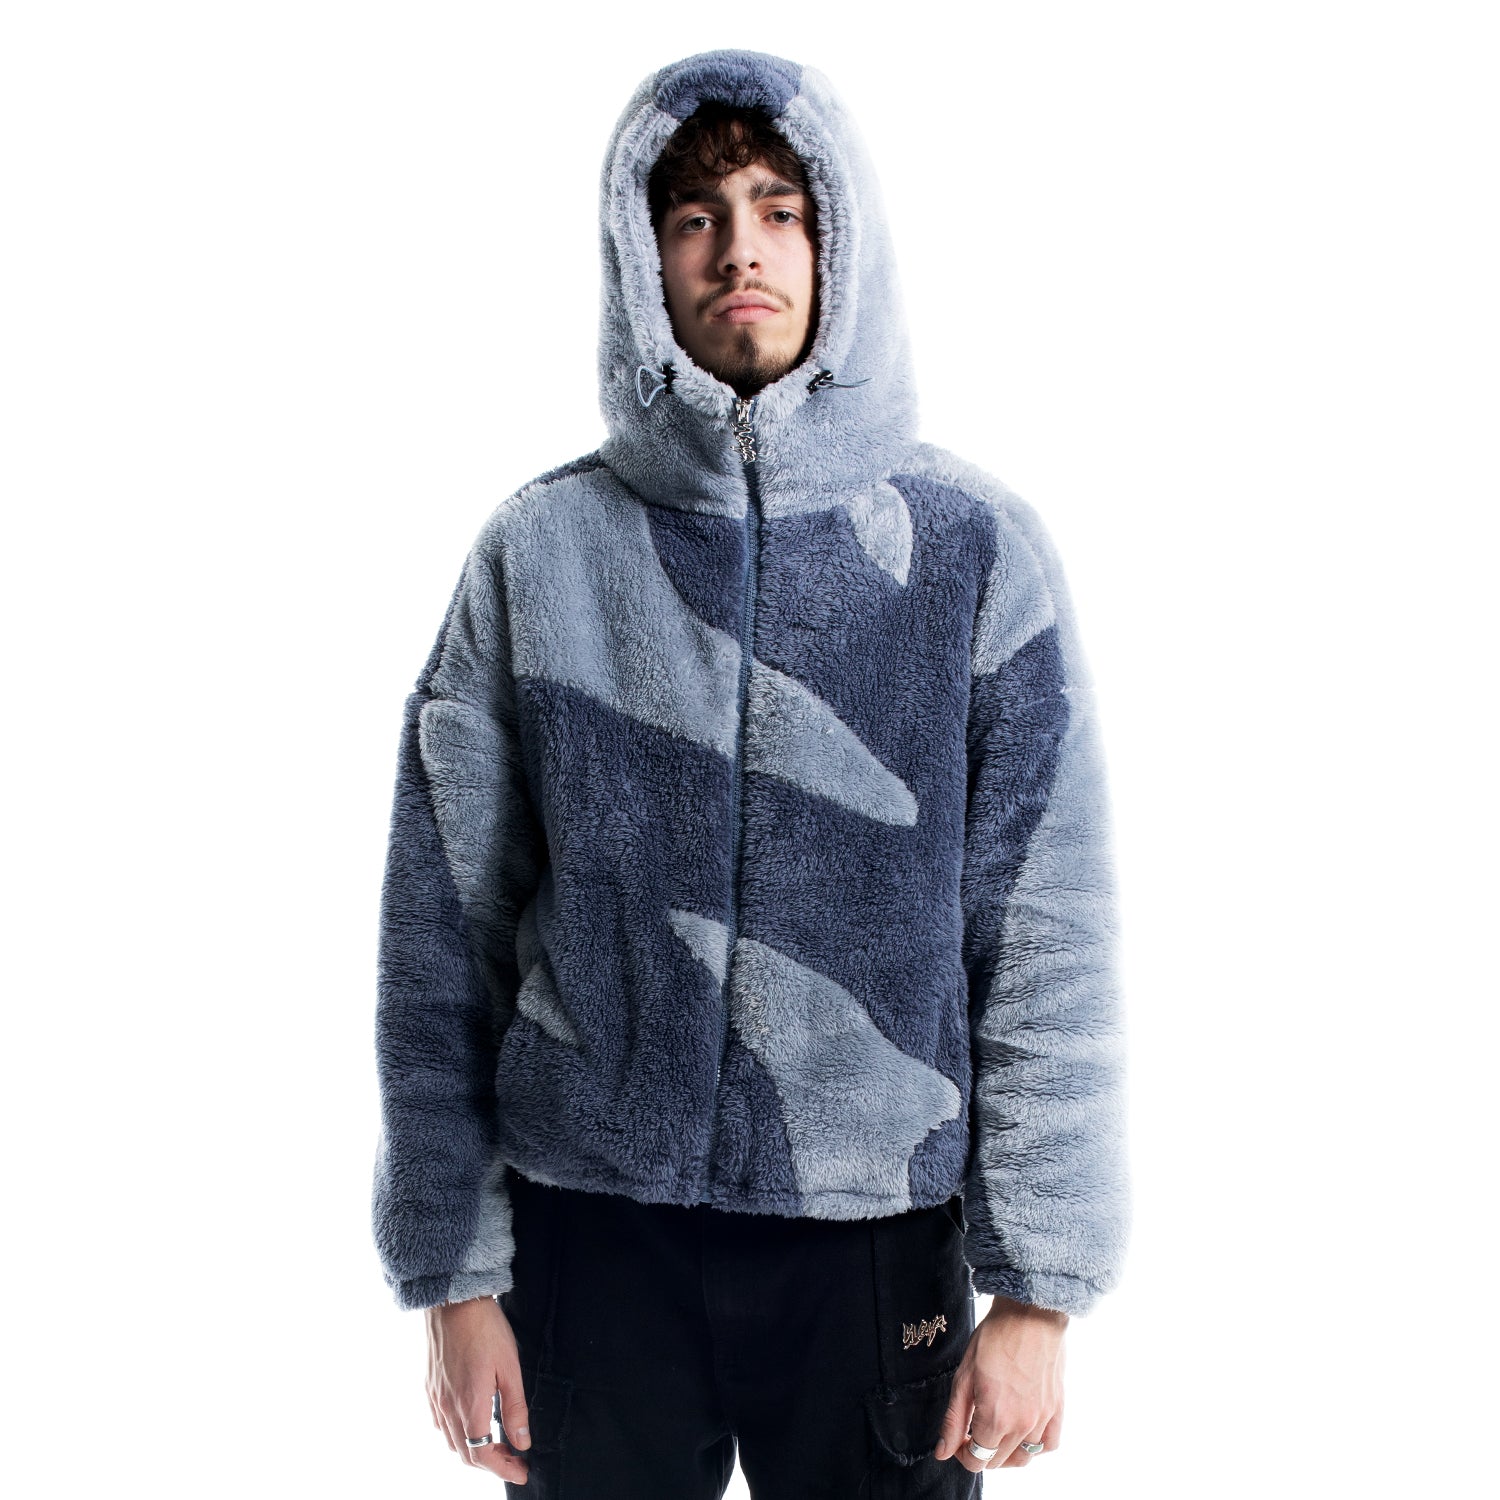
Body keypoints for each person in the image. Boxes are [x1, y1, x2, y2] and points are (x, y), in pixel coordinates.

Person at [370, 47, 1131, 1498]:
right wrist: (453, 1273)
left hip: (872, 1238)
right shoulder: (539, 553)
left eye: (781, 210)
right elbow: (439, 936)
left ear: (837, 242)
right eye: (695, 217)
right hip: (588, 1235)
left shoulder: (972, 551)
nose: (741, 251)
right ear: (640, 258)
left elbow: (1046, 931)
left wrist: (1039, 1290)